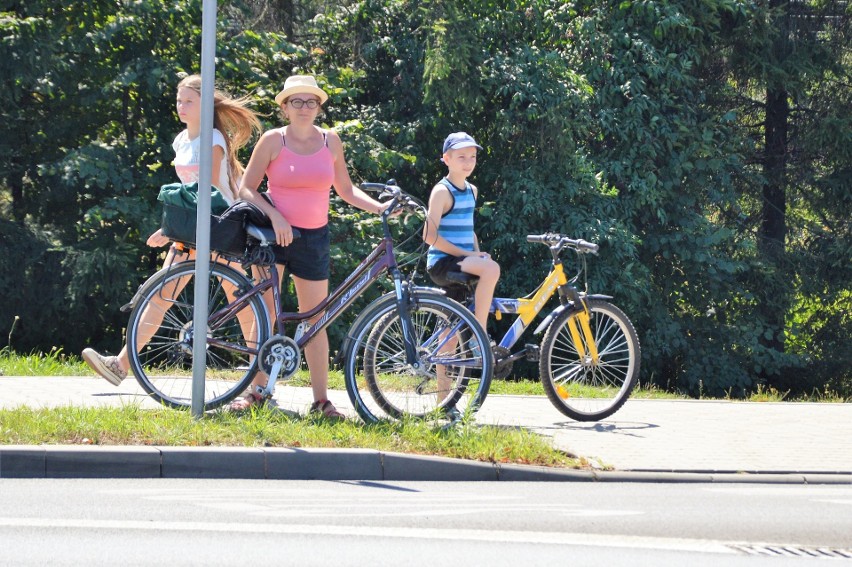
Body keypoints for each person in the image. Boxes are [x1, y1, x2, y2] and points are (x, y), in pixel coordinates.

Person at [82, 74, 262, 385]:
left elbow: (207, 189)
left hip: (218, 224)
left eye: (189, 101)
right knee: (161, 295)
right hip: (193, 226)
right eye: (179, 100)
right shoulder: (181, 140)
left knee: (242, 301)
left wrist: (169, 229)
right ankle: (121, 365)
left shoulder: (213, 140)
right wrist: (170, 227)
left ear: (205, 104)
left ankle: (258, 376)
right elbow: (184, 190)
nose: (181, 106)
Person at [229, 74, 390, 418]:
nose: (305, 108)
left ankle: (321, 401)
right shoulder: (274, 140)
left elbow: (346, 191)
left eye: (311, 102)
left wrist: (379, 208)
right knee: (268, 316)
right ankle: (255, 393)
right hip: (273, 236)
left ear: (319, 107)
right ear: (285, 107)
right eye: (297, 102)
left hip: (313, 239)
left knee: (316, 321)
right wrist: (275, 217)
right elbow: (246, 189)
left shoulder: (331, 141)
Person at [423, 132, 500, 333]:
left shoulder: (471, 190)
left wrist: (478, 253)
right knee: (492, 269)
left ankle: (441, 364)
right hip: (443, 263)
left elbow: (469, 230)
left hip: (461, 261)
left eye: (472, 156)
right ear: (446, 159)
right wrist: (470, 255)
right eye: (461, 157)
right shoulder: (442, 191)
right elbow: (429, 236)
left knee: (450, 329)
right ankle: (480, 332)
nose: (468, 162)